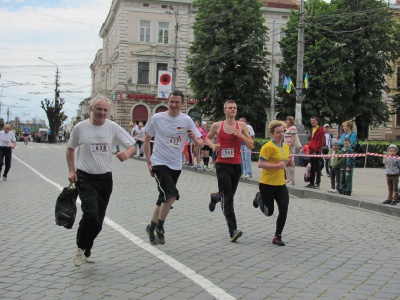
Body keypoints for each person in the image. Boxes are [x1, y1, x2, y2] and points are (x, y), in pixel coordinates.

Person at [66, 95, 136, 267]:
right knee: (90, 213)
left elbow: (133, 145)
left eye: (105, 110)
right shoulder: (80, 128)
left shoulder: (113, 127)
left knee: (98, 220)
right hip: (85, 177)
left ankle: (88, 248)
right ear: (91, 109)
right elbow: (70, 149)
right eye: (99, 109)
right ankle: (80, 249)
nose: (102, 113)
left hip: (105, 179)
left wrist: (126, 154)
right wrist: (71, 170)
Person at [144, 90, 204, 245]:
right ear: (167, 102)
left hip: (176, 165)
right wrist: (149, 162)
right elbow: (146, 139)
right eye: (171, 101)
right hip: (159, 163)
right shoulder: (157, 118)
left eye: (177, 102)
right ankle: (160, 228)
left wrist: (194, 140)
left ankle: (151, 227)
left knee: (162, 199)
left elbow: (201, 143)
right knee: (171, 195)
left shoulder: (186, 120)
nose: (174, 105)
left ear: (182, 104)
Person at [206, 100, 254, 242]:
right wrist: (213, 146)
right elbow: (207, 138)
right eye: (230, 108)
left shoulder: (242, 126)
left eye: (234, 108)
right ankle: (232, 229)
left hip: (236, 165)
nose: (233, 110)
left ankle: (215, 197)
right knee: (228, 197)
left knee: (228, 194)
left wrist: (241, 136)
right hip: (222, 165)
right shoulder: (217, 125)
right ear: (225, 110)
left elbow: (251, 145)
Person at [252, 120, 292, 246]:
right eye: (278, 132)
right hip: (267, 184)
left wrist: (289, 162)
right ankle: (259, 197)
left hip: (280, 184)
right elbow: (260, 164)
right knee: (269, 213)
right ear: (272, 133)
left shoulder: (285, 147)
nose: (281, 134)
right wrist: (276, 165)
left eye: (282, 132)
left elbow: (285, 162)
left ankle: (277, 236)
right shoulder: (267, 147)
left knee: (284, 209)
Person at [305, 116, 325, 189]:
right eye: (311, 121)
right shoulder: (312, 129)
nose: (312, 122)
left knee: (317, 167)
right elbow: (311, 139)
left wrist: (317, 151)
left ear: (317, 121)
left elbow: (321, 141)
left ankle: (317, 183)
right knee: (312, 167)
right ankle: (311, 182)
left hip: (316, 151)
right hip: (311, 149)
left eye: (313, 121)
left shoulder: (320, 130)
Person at [284, 116, 297, 185]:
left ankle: (292, 180)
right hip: (285, 147)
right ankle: (288, 178)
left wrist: (289, 146)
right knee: (286, 163)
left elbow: (293, 138)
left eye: (287, 120)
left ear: (291, 121)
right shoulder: (287, 128)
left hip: (290, 147)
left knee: (291, 163)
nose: (286, 121)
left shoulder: (293, 128)